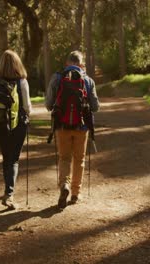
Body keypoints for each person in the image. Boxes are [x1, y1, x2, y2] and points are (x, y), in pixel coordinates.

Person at [45, 51, 100, 209]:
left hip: (61, 125)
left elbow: (49, 104)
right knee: (79, 159)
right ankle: (75, 193)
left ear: (66, 63)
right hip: (82, 127)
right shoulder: (87, 80)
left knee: (64, 158)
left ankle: (64, 186)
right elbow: (95, 107)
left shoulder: (57, 78)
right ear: (81, 64)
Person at [0, 50, 32, 209]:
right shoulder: (22, 82)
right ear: (17, 63)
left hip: (0, 123)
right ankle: (9, 193)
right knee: (14, 159)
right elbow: (27, 106)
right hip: (18, 124)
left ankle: (8, 189)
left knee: (6, 157)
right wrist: (29, 115)